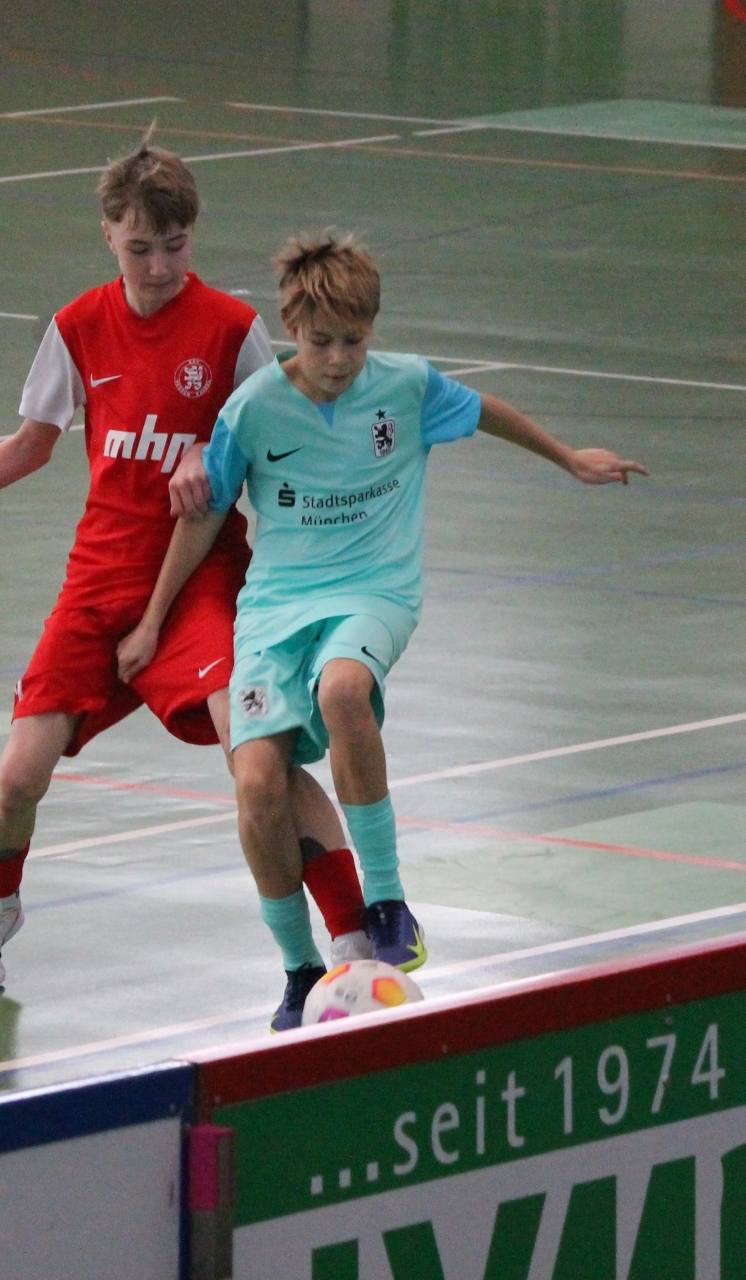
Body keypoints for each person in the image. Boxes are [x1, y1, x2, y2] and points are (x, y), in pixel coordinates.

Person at [0, 138, 371, 991]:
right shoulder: (78, 328)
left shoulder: (231, 331)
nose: (158, 267)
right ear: (108, 237)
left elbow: (276, 443)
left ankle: (352, 939)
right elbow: (28, 446)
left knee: (257, 757)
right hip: (100, 581)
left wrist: (215, 458)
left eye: (175, 247)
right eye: (139, 248)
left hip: (199, 582)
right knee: (17, 778)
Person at [118, 231, 647, 1029]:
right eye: (321, 342)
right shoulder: (253, 408)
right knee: (257, 785)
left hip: (374, 591)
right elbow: (205, 515)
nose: (338, 359)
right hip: (274, 608)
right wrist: (154, 619)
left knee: (343, 690)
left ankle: (389, 900)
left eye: (354, 341)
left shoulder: (406, 387)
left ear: (372, 331)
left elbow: (485, 411)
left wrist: (567, 457)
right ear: (291, 329)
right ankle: (299, 968)